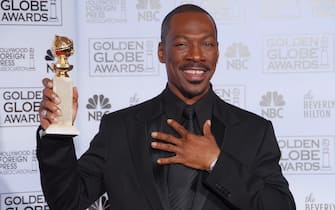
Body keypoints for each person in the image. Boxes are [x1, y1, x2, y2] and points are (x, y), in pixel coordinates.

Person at [37, 4, 296, 210]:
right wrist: (57, 133)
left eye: (207, 44)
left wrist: (217, 163)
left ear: (217, 52)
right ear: (162, 52)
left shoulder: (254, 131)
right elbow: (67, 202)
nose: (196, 55)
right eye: (182, 44)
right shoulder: (120, 128)